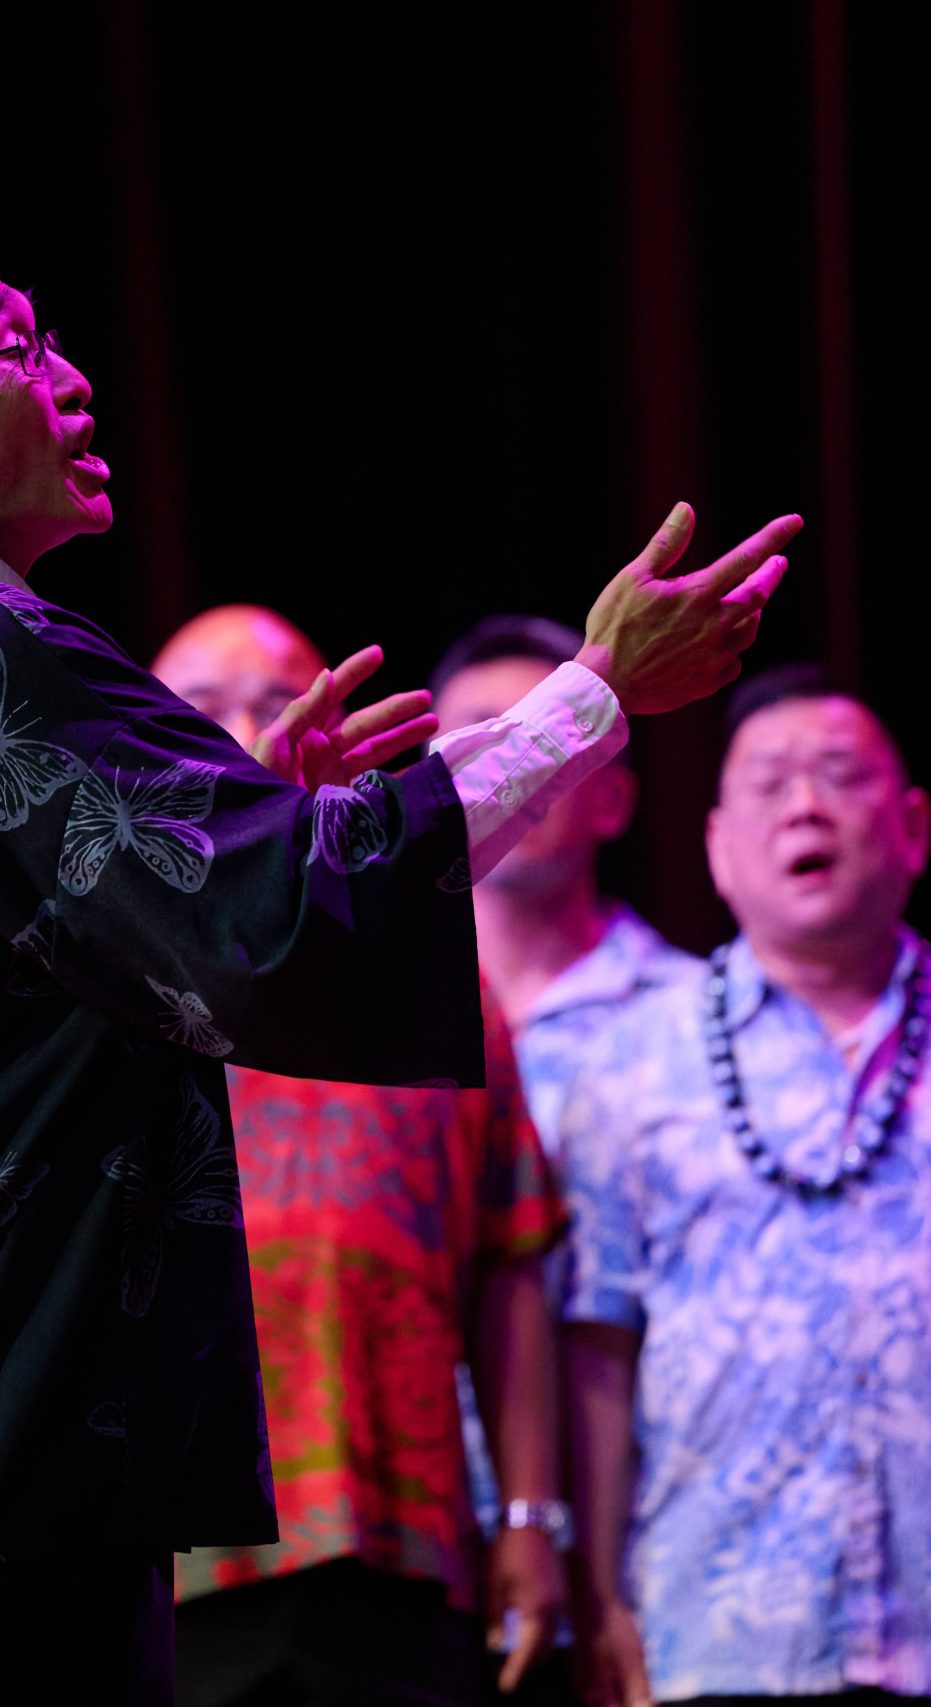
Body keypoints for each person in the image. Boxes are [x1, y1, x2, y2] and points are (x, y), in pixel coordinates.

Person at [0, 229, 799, 1705]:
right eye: (15, 354)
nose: (74, 381)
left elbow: (15, 942)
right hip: (6, 1462)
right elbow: (276, 921)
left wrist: (244, 813)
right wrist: (596, 694)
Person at [560, 667, 931, 1707]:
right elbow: (599, 1343)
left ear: (914, 827)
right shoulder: (631, 1064)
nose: (804, 806)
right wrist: (600, 1592)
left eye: (839, 776)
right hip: (709, 1633)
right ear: (715, 846)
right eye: (771, 783)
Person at [151, 605, 569, 1707]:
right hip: (172, 1561)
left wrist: (528, 1516)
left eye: (281, 699)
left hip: (409, 1549)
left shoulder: (434, 972)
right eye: (204, 711)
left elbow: (511, 1266)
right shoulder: (115, 973)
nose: (253, 733)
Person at [428, 616, 700, 1168]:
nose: (509, 777)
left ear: (613, 800)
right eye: (480, 739)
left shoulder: (697, 1015)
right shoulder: (375, 1003)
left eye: (540, 746)